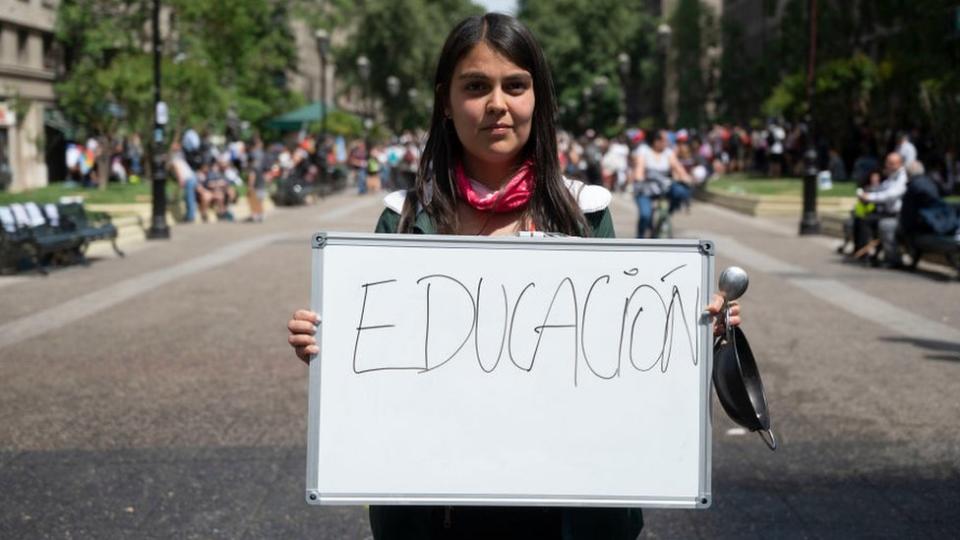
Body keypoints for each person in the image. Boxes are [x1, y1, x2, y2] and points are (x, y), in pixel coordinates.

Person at [287, 13, 741, 540]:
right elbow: (378, 362)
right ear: (445, 100)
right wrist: (327, 342)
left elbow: (619, 350)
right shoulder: (404, 220)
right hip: (435, 502)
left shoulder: (585, 213)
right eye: (476, 86)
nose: (497, 104)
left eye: (516, 85)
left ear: (537, 99)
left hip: (565, 505)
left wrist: (693, 327)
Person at [631, 129, 693, 238]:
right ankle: (640, 238)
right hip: (645, 188)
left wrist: (686, 178)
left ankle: (667, 214)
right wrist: (639, 177)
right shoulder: (644, 150)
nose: (668, 143)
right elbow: (639, 169)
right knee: (645, 215)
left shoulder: (668, 152)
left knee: (681, 192)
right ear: (656, 141)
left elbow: (678, 167)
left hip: (663, 187)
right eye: (665, 141)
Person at [857, 152, 907, 267]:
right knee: (860, 218)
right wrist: (868, 192)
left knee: (869, 222)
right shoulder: (892, 176)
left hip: (896, 214)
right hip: (886, 212)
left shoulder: (901, 178)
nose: (888, 166)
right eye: (887, 163)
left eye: (891, 163)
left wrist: (869, 197)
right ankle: (865, 252)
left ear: (899, 164)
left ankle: (871, 254)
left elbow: (890, 195)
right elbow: (882, 189)